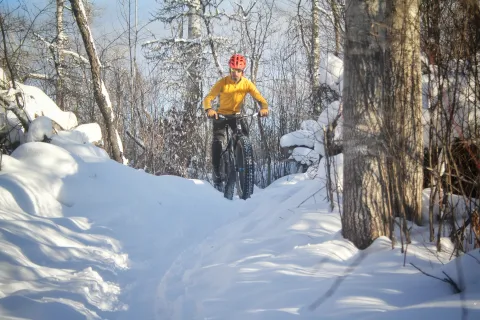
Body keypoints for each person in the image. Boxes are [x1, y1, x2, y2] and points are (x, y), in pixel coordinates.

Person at [203, 53, 269, 190]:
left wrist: (264, 107)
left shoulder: (246, 84)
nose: (235, 73)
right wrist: (209, 109)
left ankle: (244, 163)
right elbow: (209, 97)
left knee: (245, 137)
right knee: (218, 142)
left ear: (242, 71)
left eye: (238, 71)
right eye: (233, 70)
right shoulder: (222, 82)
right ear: (230, 70)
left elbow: (259, 97)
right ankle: (216, 172)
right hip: (220, 116)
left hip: (236, 116)